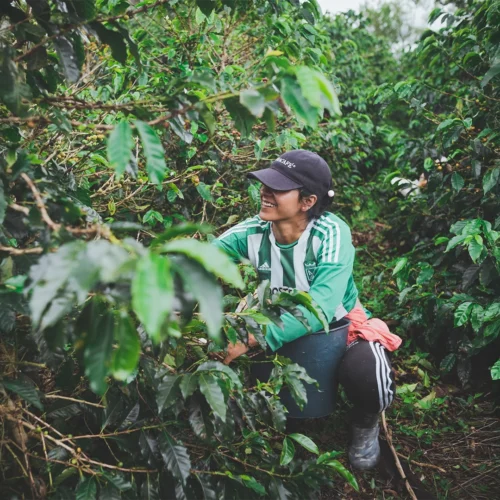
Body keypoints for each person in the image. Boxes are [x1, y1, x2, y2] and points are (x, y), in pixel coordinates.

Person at [213, 150, 402, 470]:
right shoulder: (252, 232)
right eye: (265, 184)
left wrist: (248, 339)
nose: (265, 191)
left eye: (278, 188)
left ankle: (365, 423)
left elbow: (322, 305)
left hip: (336, 326)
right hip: (272, 320)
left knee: (369, 372)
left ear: (307, 202)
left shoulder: (329, 233)